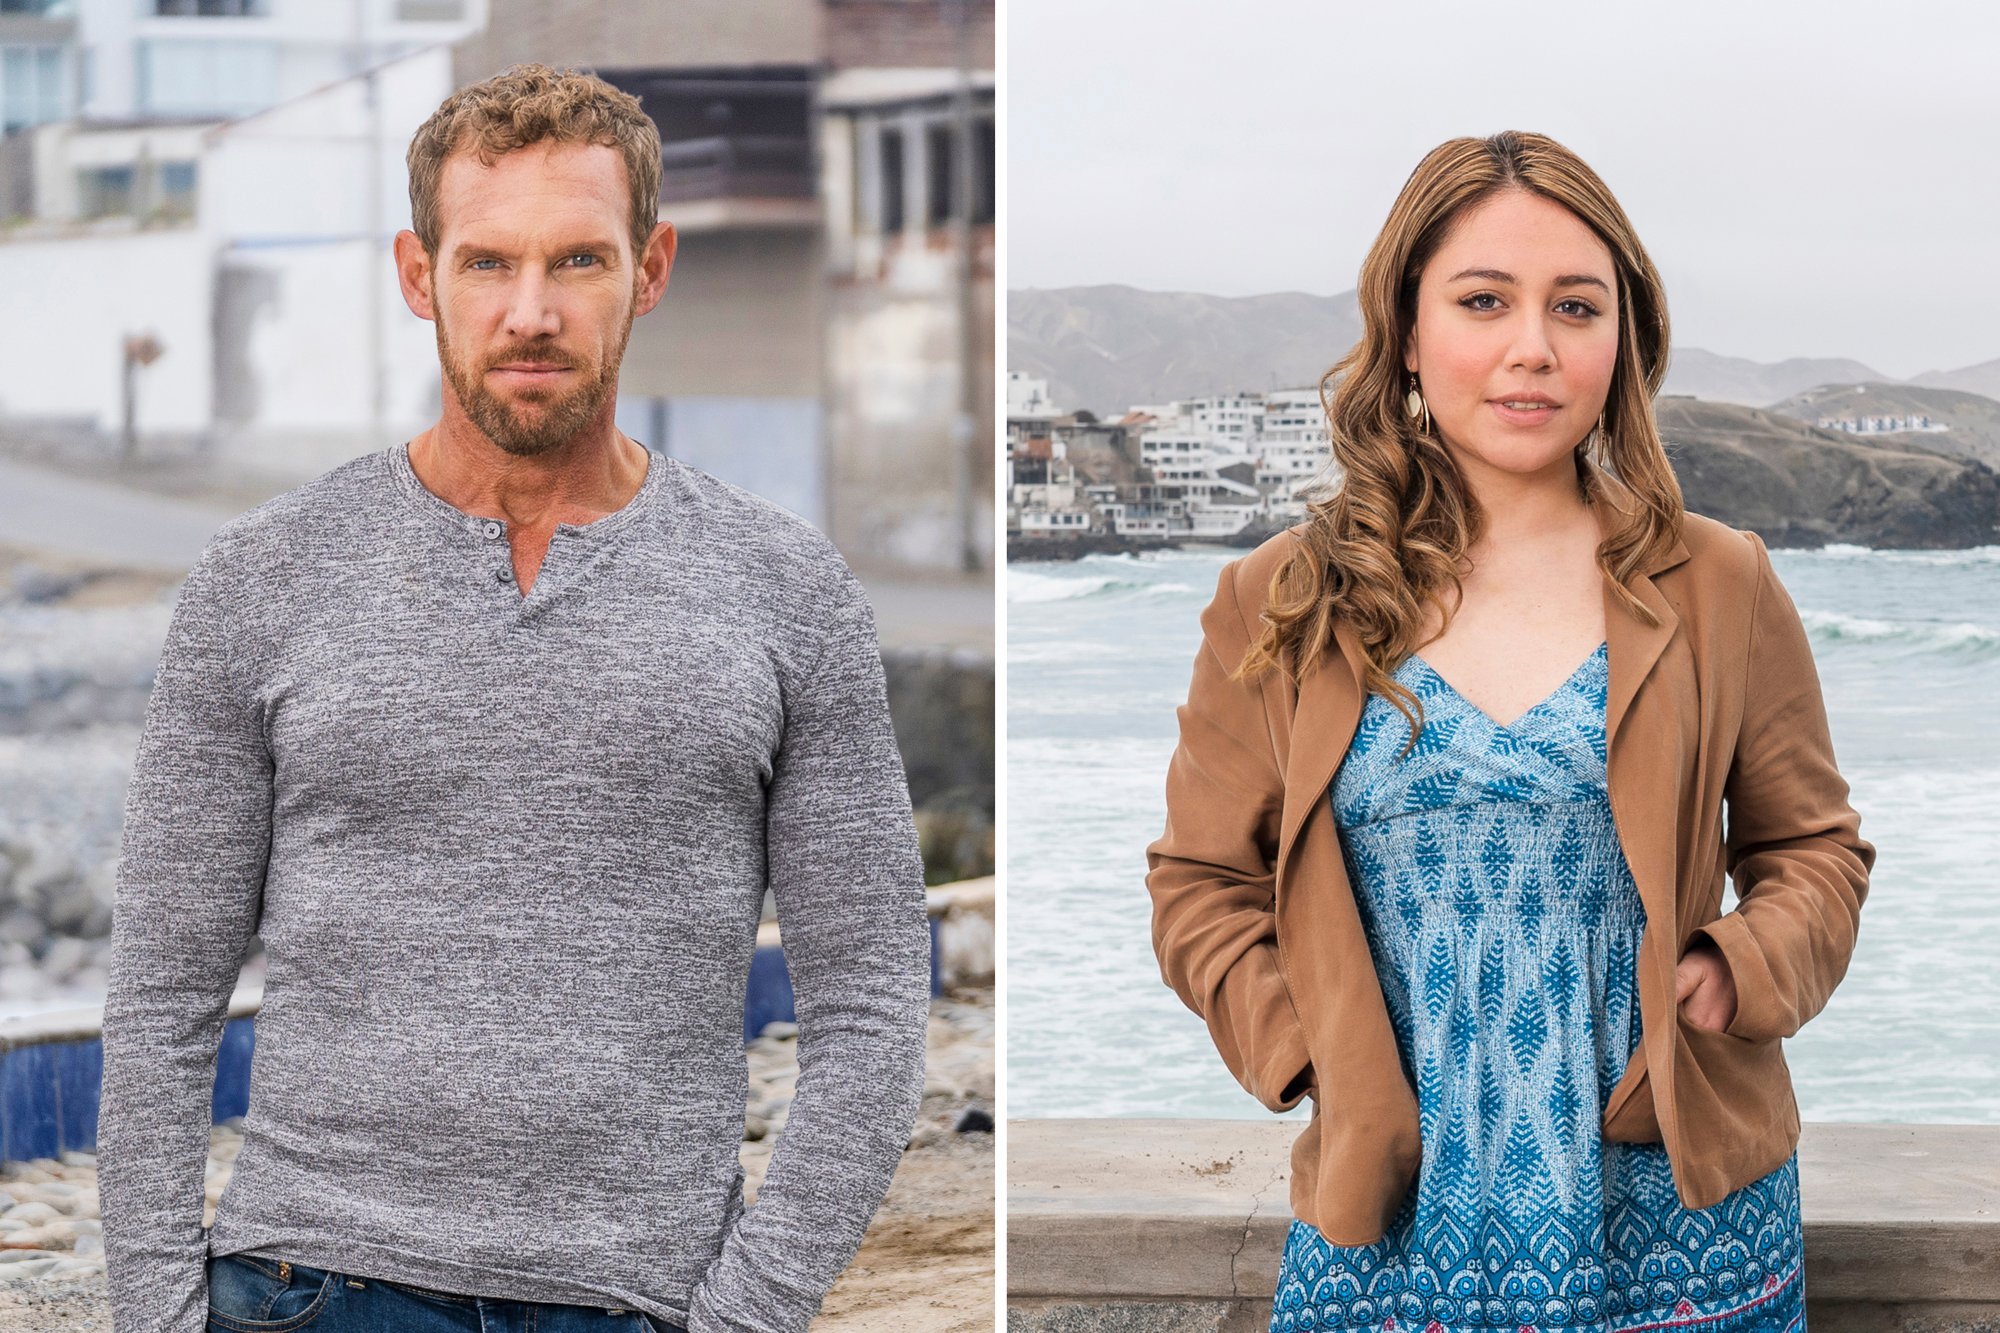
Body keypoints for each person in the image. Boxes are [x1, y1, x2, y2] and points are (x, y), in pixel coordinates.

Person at [96, 64, 931, 1333]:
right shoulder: (261, 578)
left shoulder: (785, 587)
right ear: (418, 273)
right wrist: (158, 1317)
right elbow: (161, 994)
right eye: (487, 263)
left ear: (648, 271)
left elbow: (872, 1008)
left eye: (578, 262)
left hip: (638, 1301)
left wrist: (747, 1313)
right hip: (311, 1286)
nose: (530, 312)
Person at [1146, 130, 1872, 1331]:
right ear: (1409, 327)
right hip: (1387, 1219)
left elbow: (1814, 853)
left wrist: (1729, 975)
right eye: (1483, 300)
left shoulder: (1719, 582)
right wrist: (1309, 1051)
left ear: (1619, 339)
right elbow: (1199, 882)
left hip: (1682, 1222)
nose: (1531, 346)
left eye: (1574, 306)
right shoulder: (1282, 597)